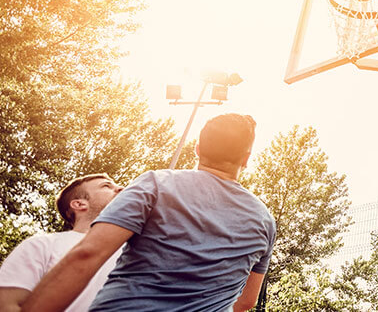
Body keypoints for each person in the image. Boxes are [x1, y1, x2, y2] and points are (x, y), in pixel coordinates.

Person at [22, 113, 276, 312]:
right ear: (246, 158)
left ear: (198, 149)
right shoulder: (264, 220)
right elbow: (246, 302)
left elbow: (87, 254)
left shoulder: (156, 184)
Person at [0, 174, 123, 312]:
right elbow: (7, 305)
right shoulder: (41, 245)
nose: (120, 188)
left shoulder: (137, 247)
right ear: (79, 204)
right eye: (106, 186)